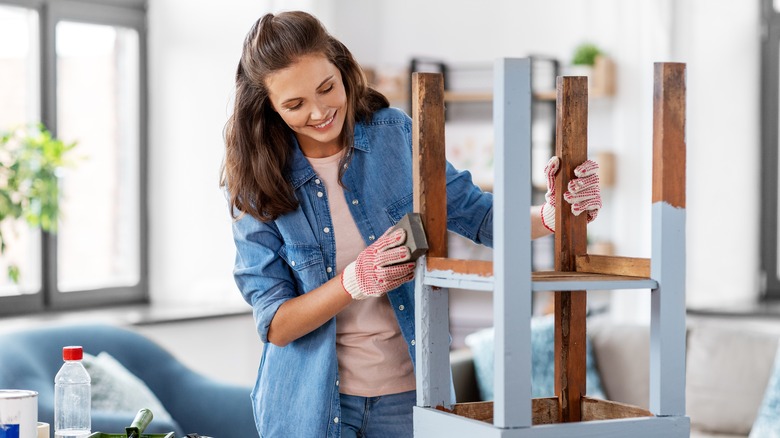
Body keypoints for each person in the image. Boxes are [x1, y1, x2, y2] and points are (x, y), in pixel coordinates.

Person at [220, 10, 602, 438]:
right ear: (268, 107)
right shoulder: (258, 183)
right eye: (294, 104)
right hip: (308, 407)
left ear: (343, 69)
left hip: (410, 399)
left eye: (327, 88)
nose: (320, 111)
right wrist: (354, 281)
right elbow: (274, 324)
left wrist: (552, 215)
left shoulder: (395, 137)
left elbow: (480, 216)